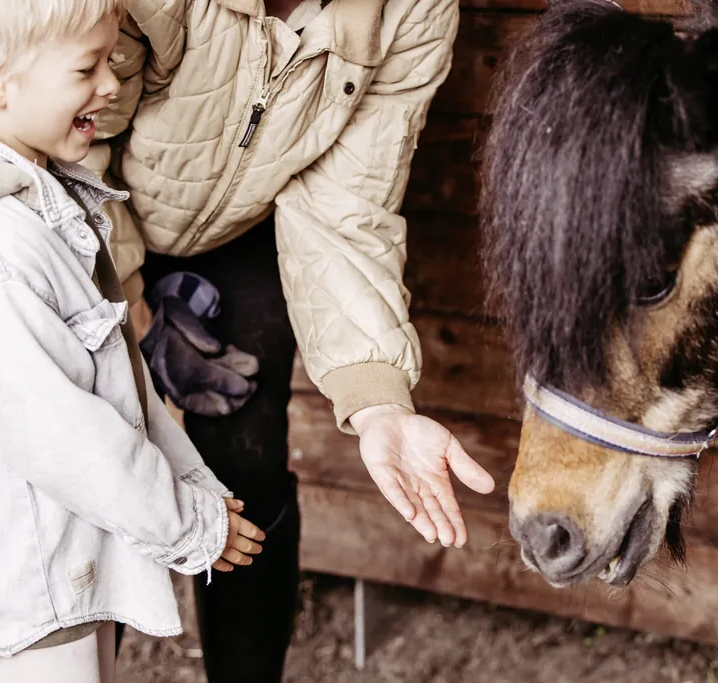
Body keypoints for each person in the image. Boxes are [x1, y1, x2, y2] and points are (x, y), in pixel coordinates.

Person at [86, 0, 498, 680]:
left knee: (243, 453)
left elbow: (347, 207)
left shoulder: (412, 11)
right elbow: (73, 135)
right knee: (99, 449)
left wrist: (378, 401)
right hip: (87, 204)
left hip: (235, 232)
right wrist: (132, 314)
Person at [0, 1, 266, 681]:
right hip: (38, 571)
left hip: (73, 551)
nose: (111, 83)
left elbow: (119, 384)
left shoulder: (41, 203)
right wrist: (189, 524)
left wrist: (192, 490)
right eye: (85, 68)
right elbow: (67, 436)